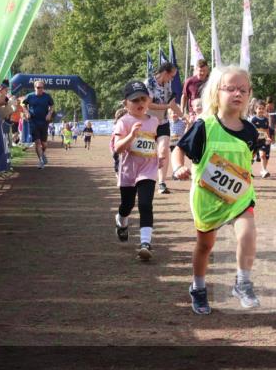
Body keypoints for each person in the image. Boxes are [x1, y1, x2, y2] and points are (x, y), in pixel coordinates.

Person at [171, 66, 261, 314]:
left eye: (243, 89)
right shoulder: (204, 125)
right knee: (205, 246)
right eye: (230, 88)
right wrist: (178, 167)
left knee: (247, 233)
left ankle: (243, 283)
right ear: (215, 92)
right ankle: (198, 287)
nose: (237, 93)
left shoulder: (251, 131)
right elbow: (179, 149)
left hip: (239, 197)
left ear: (249, 94)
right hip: (207, 198)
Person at [112, 81, 162, 261]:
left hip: (148, 170)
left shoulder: (154, 121)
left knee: (145, 204)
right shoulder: (123, 122)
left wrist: (160, 154)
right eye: (135, 100)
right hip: (129, 171)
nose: (140, 103)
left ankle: (145, 243)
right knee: (127, 205)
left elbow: (156, 141)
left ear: (148, 100)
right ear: (126, 104)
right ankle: (121, 220)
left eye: (143, 99)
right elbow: (117, 148)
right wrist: (131, 136)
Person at [147, 60, 182, 194]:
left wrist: (184, 116)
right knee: (147, 153)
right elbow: (148, 104)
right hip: (148, 122)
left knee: (163, 150)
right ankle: (145, 179)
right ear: (165, 73)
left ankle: (161, 183)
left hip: (164, 123)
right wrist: (166, 106)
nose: (172, 79)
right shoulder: (149, 83)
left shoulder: (168, 85)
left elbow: (172, 104)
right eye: (171, 76)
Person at [22, 80, 54, 169]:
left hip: (44, 122)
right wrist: (27, 112)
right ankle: (41, 161)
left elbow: (52, 106)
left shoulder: (47, 96)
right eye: (38, 87)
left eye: (42, 87)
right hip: (33, 121)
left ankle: (42, 154)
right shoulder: (30, 96)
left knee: (44, 144)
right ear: (34, 88)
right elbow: (23, 105)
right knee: (37, 142)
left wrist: (49, 113)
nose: (40, 89)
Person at [249, 99, 274, 179]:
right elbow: (251, 130)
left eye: (263, 108)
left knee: (263, 155)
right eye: (259, 108)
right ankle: (248, 170)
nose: (261, 110)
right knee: (251, 157)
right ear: (255, 109)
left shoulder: (266, 120)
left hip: (263, 141)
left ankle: (263, 170)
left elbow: (267, 130)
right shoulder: (253, 119)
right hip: (255, 141)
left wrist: (268, 137)